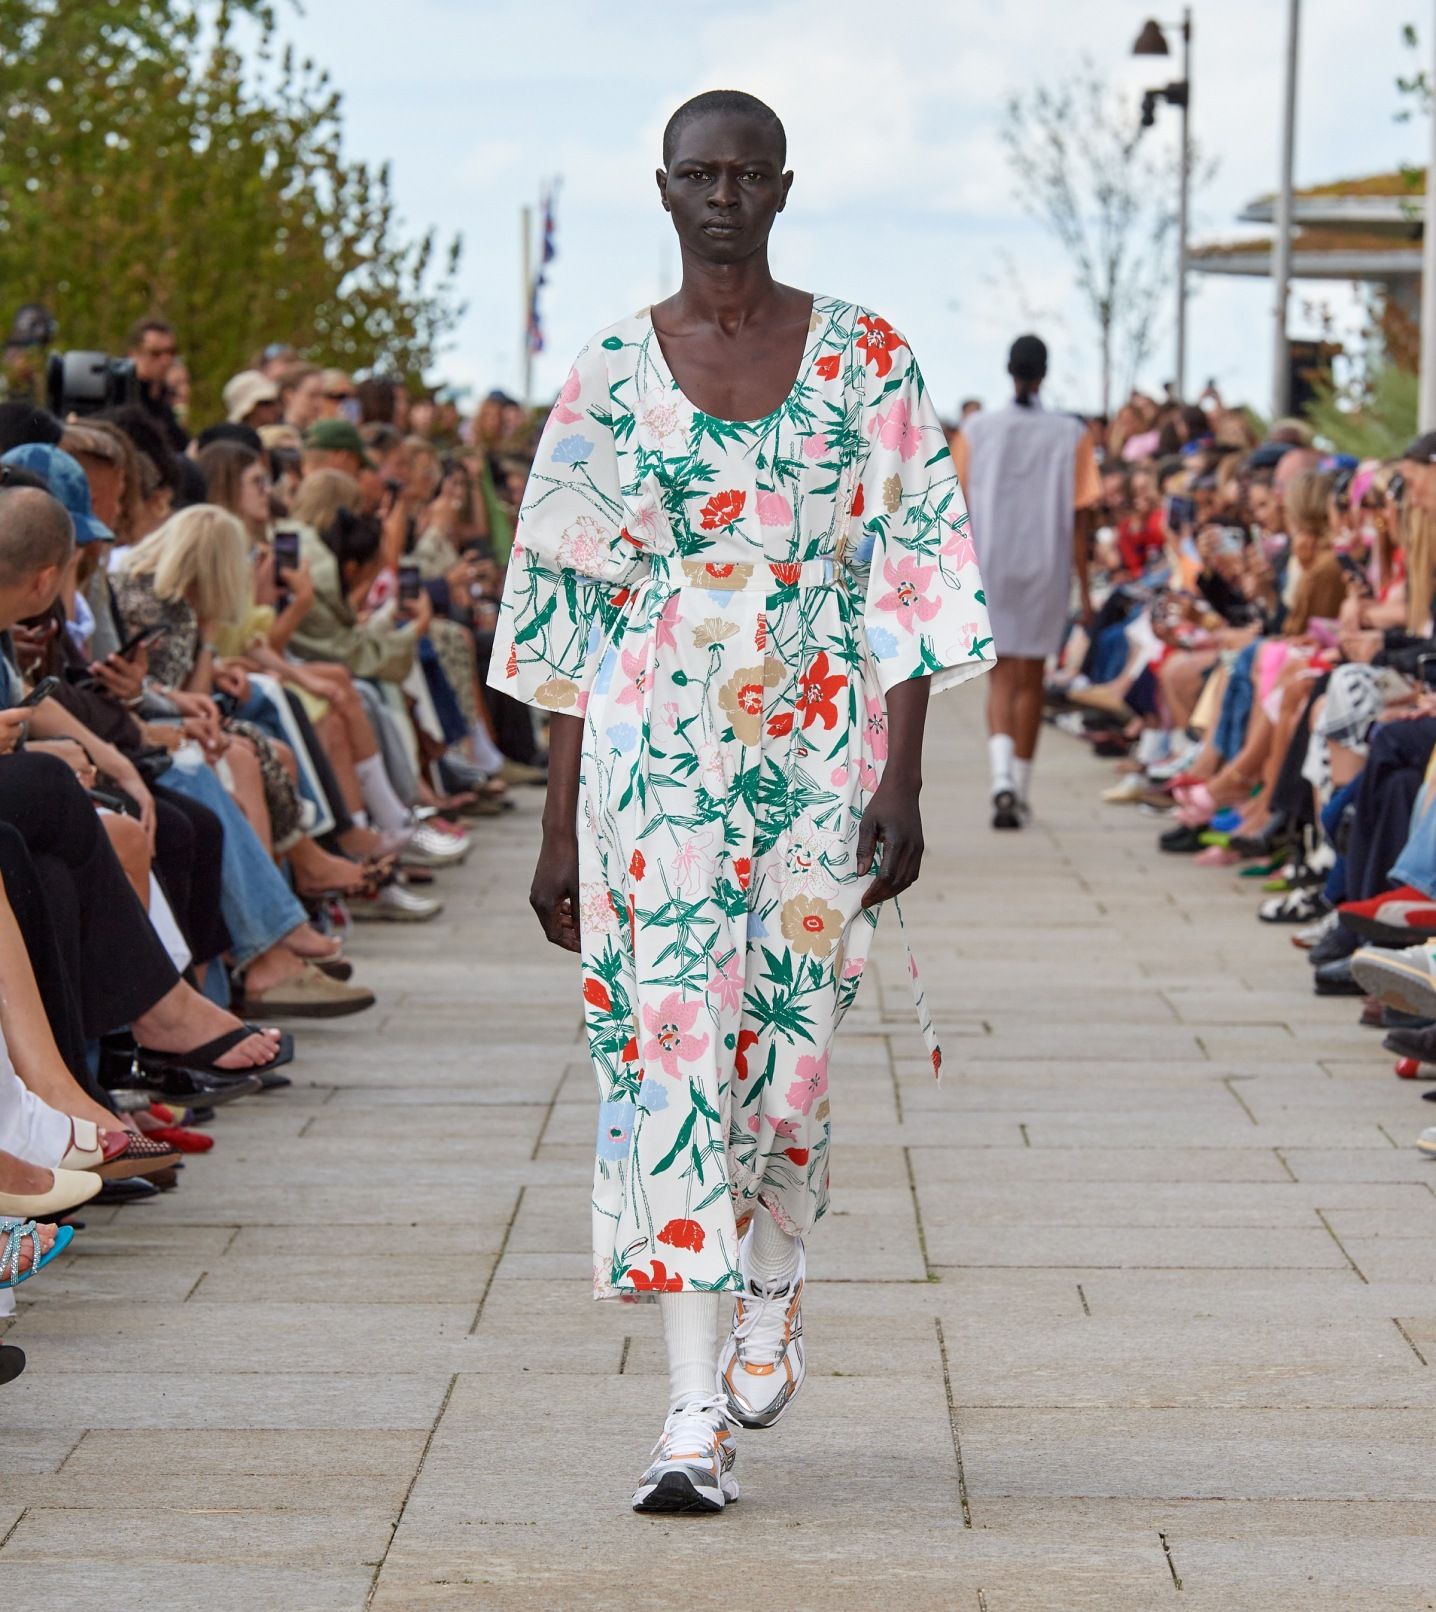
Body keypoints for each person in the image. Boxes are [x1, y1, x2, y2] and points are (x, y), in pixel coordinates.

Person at [490, 88, 993, 1515]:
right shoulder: (602, 374)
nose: (723, 194)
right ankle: (689, 1411)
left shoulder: (868, 358)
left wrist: (904, 776)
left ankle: (778, 1279)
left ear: (783, 190)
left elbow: (910, 575)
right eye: (699, 173)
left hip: (819, 739)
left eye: (747, 174)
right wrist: (552, 819)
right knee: (669, 1062)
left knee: (792, 1050)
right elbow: (565, 611)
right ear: (662, 189)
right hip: (654, 761)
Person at [954, 334, 1100, 828]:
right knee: (1031, 675)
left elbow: (956, 505)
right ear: (1045, 371)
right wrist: (1084, 583)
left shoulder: (977, 430)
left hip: (990, 562)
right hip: (1047, 563)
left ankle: (999, 778)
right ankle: (1019, 782)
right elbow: (1082, 517)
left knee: (1000, 675)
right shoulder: (1071, 433)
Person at [125, 317, 189, 452]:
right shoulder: (124, 398)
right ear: (133, 355)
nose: (166, 360)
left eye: (171, 352)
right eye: (155, 353)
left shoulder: (165, 399)